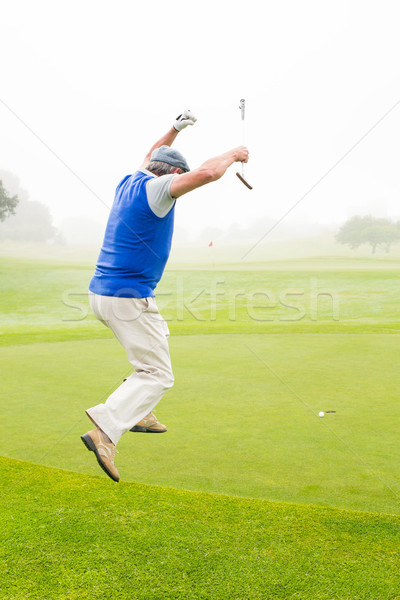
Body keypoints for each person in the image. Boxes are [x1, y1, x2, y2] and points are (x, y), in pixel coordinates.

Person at [81, 109, 249, 482]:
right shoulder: (158, 189)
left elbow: (153, 152)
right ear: (173, 175)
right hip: (127, 296)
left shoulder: (131, 179)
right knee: (158, 373)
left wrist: (174, 129)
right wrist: (233, 153)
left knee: (159, 339)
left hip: (103, 292)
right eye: (180, 178)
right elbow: (206, 173)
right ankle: (106, 431)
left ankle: (139, 411)